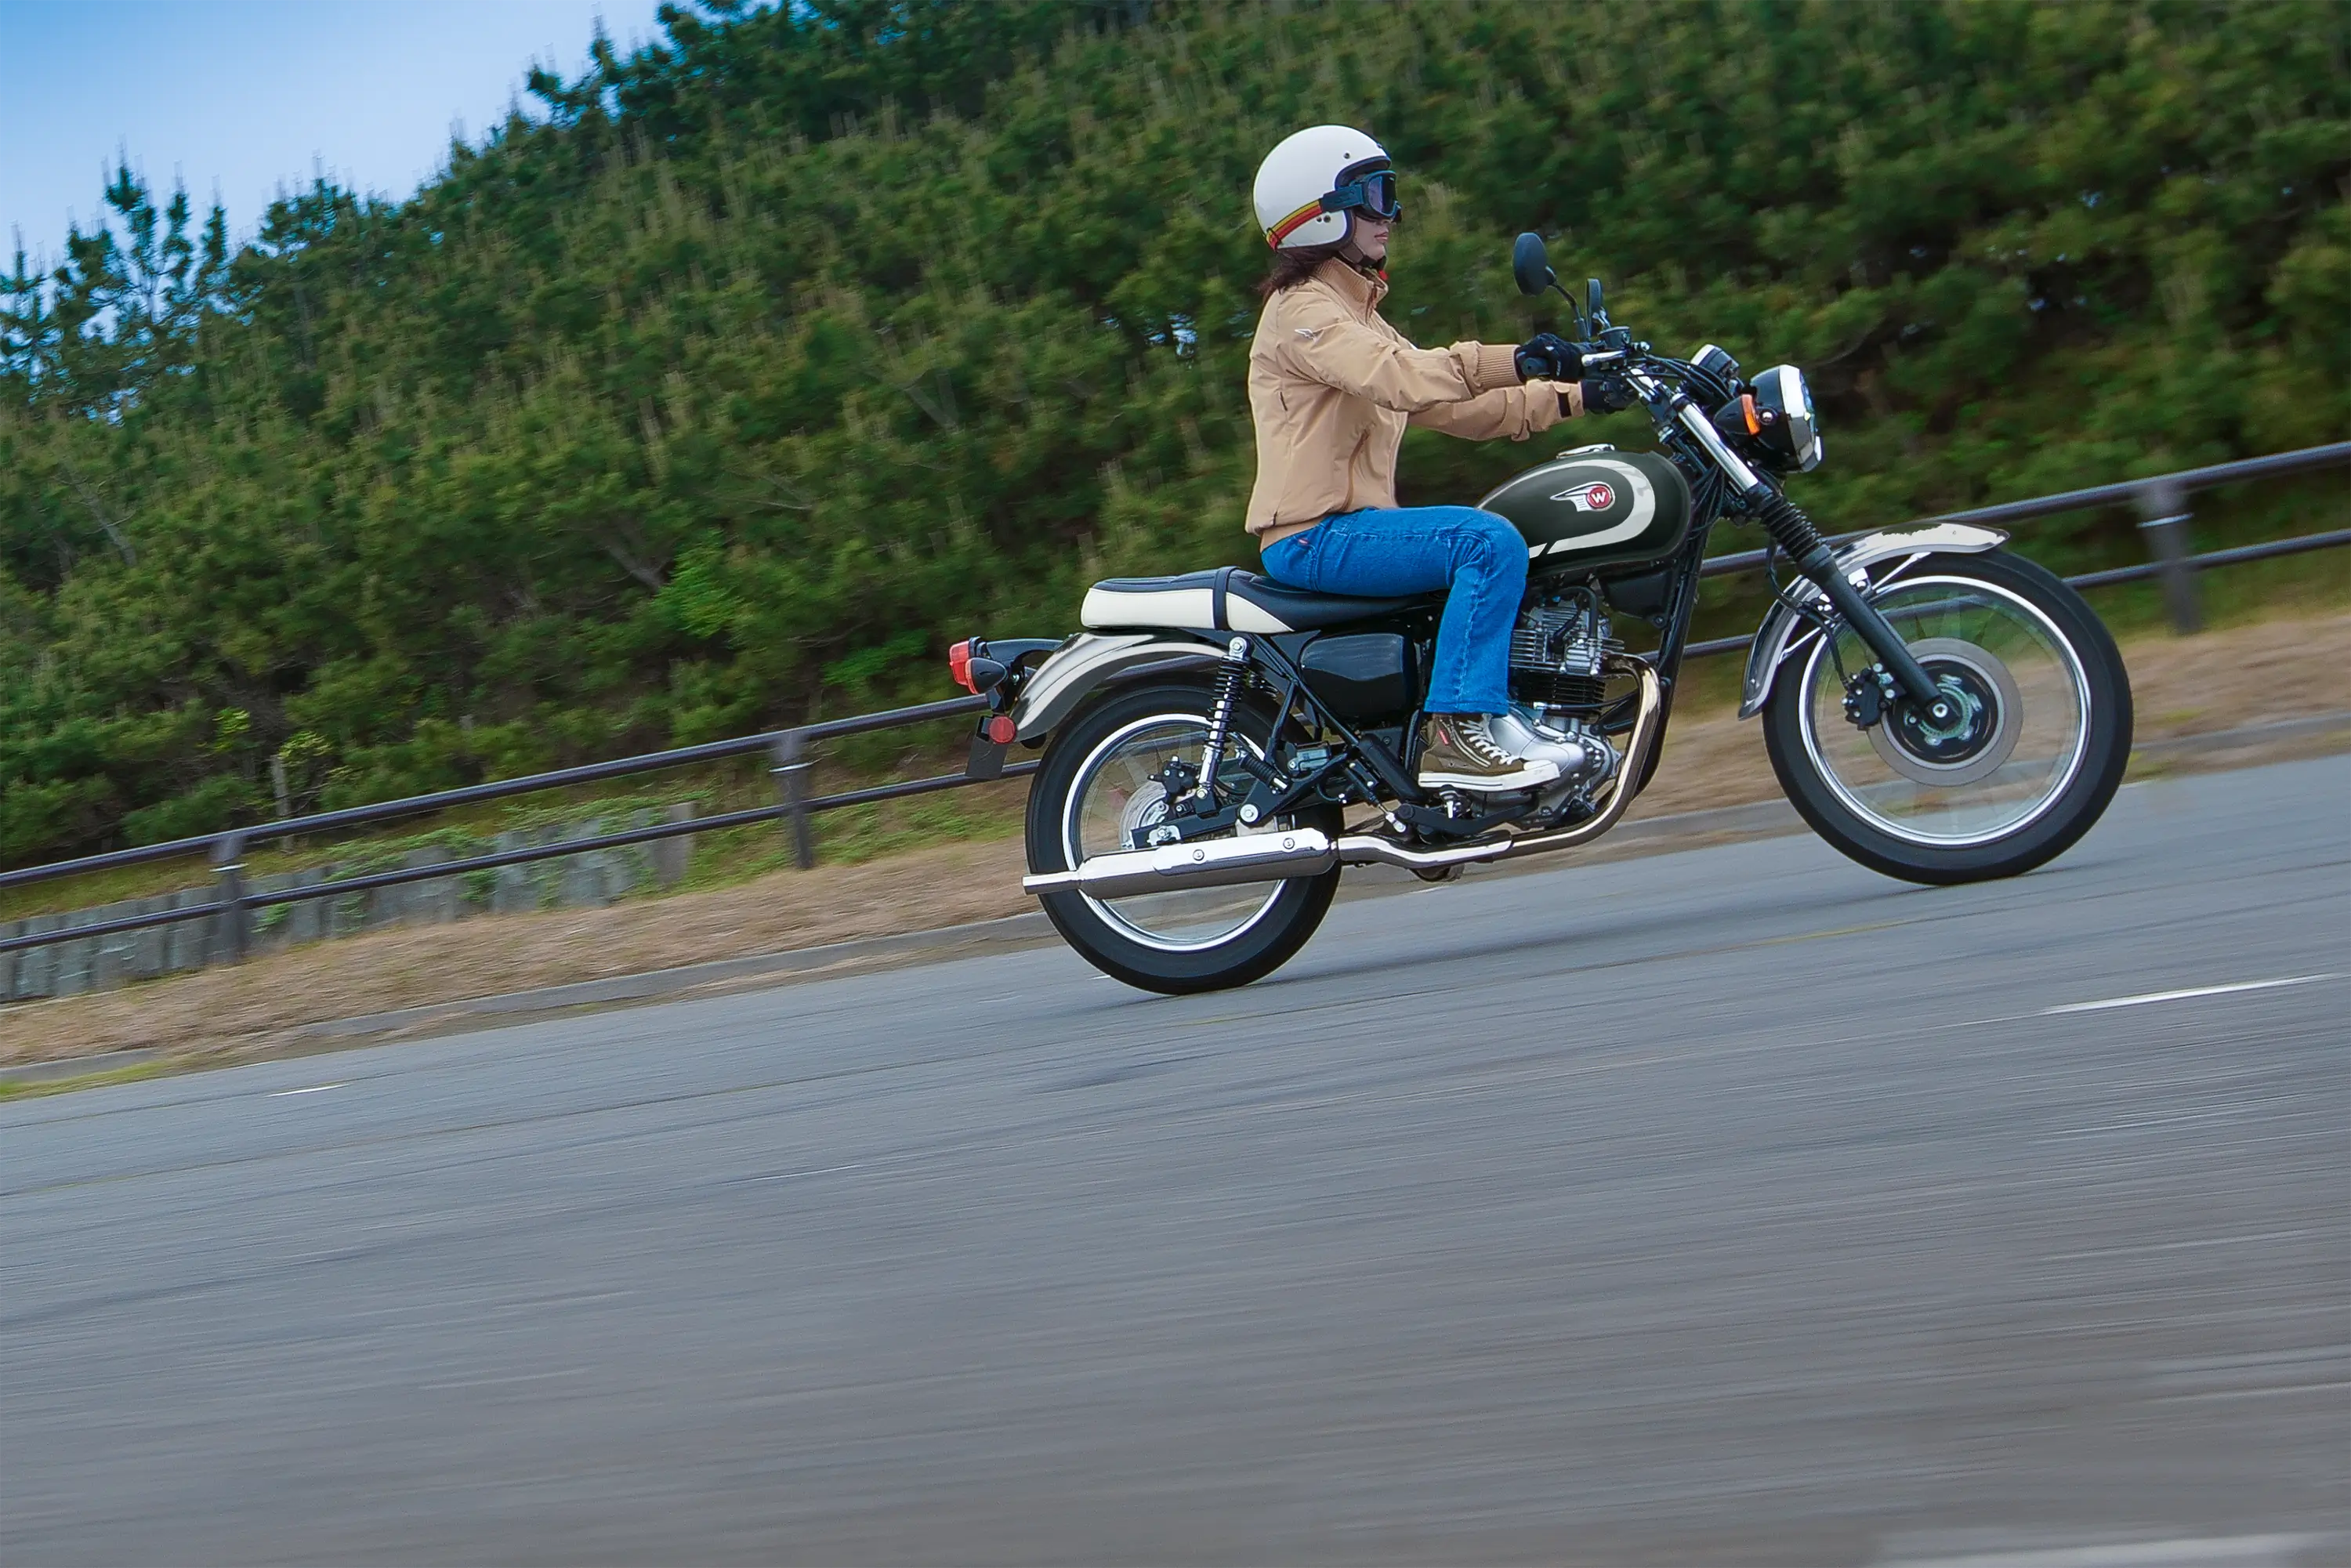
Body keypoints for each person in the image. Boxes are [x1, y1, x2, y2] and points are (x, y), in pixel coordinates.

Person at [1245, 125, 1625, 792]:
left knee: (1516, 546)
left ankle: (1507, 720)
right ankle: (1455, 735)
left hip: (1349, 530)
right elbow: (1402, 377)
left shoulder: (1353, 311)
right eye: (1374, 194)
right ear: (1320, 212)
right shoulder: (1303, 311)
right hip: (1315, 534)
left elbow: (1461, 409)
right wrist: (1520, 354)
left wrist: (1578, 396)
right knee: (1484, 544)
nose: (1391, 214)